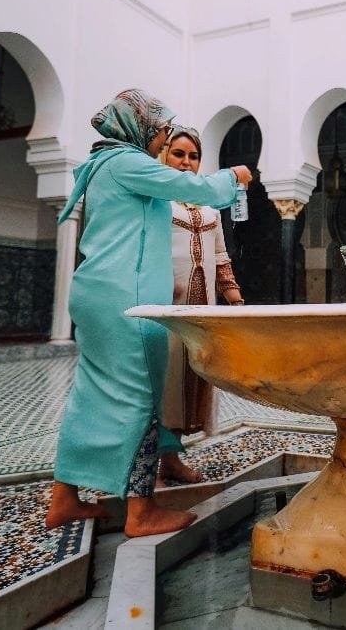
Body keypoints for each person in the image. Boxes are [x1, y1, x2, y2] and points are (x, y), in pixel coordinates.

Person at [43, 89, 252, 538]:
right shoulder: (126, 162)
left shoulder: (102, 164)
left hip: (97, 294)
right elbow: (192, 188)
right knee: (139, 398)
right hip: (128, 300)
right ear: (138, 127)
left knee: (91, 395)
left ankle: (64, 499)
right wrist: (232, 177)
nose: (162, 139)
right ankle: (141, 511)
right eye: (160, 130)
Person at [155, 127, 245, 486]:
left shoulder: (210, 208)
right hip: (164, 309)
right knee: (163, 385)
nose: (186, 163)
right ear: (165, 156)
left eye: (193, 156)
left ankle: (171, 461)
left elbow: (221, 257)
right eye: (178, 154)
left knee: (191, 380)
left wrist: (235, 299)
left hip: (201, 310)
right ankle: (153, 467)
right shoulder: (157, 200)